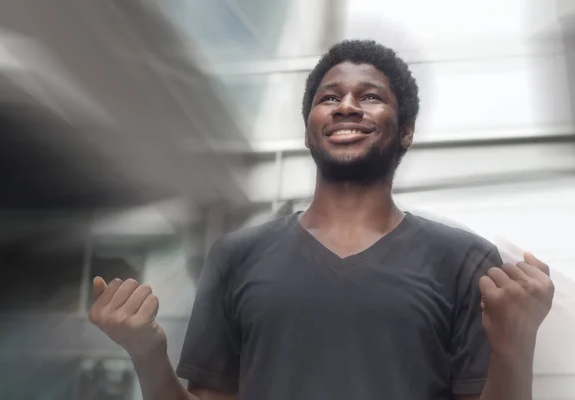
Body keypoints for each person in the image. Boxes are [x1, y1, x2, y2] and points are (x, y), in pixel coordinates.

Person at [89, 40, 555, 400]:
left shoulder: (465, 261)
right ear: (310, 128)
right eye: (330, 97)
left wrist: (518, 341)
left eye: (370, 97)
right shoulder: (235, 257)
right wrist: (146, 352)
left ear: (407, 130)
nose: (346, 105)